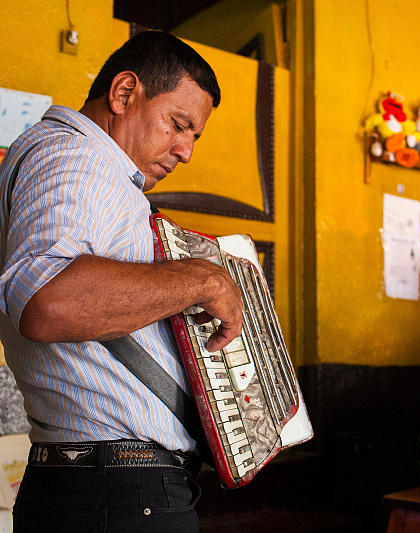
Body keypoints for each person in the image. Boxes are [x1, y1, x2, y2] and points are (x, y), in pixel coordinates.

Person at [0, 31, 243, 532]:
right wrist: (203, 280)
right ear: (125, 93)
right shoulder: (76, 158)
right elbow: (48, 301)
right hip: (117, 490)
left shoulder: (92, 171)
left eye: (195, 136)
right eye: (179, 125)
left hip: (108, 487)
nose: (185, 151)